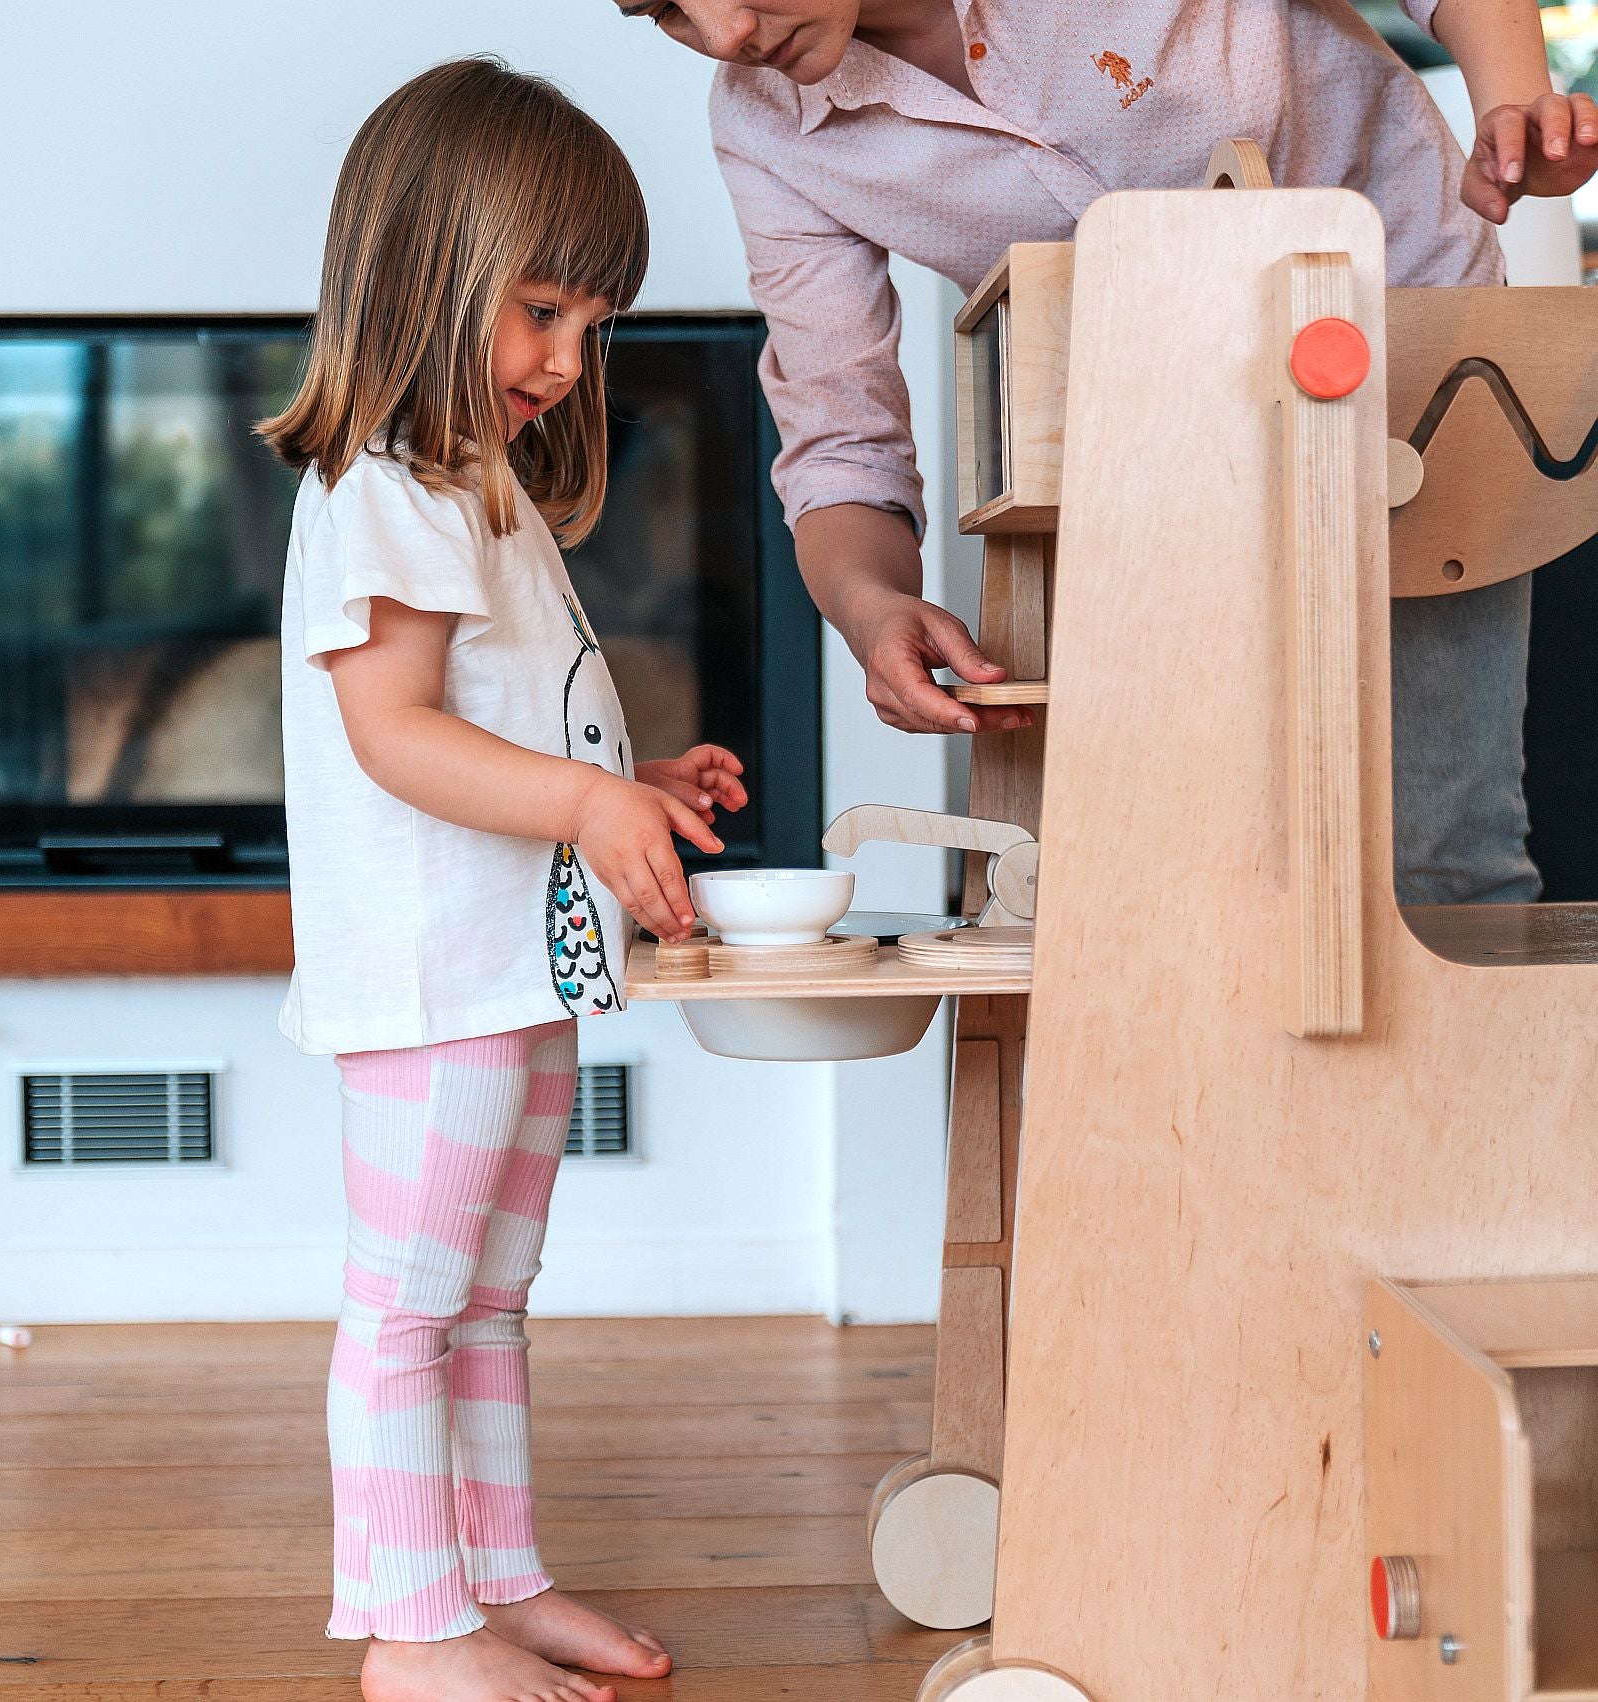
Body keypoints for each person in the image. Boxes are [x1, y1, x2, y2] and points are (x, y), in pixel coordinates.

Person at [618, 0, 1598, 903]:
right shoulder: (762, 126)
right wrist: (871, 608)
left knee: (1438, 851)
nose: (725, 27)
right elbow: (840, 442)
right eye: (660, 6)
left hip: (1413, 381)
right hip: (1153, 460)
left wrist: (1515, 104)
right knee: (1209, 871)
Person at [259, 58, 746, 1702]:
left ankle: (498, 1580)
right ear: (423, 267)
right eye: (540, 308)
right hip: (432, 980)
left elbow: (506, 716)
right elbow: (392, 732)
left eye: (592, 324)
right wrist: (582, 797)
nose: (565, 357)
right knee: (408, 1306)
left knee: (488, 1301)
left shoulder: (482, 492)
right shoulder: (383, 487)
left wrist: (637, 785)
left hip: (512, 973)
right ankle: (412, 1626)